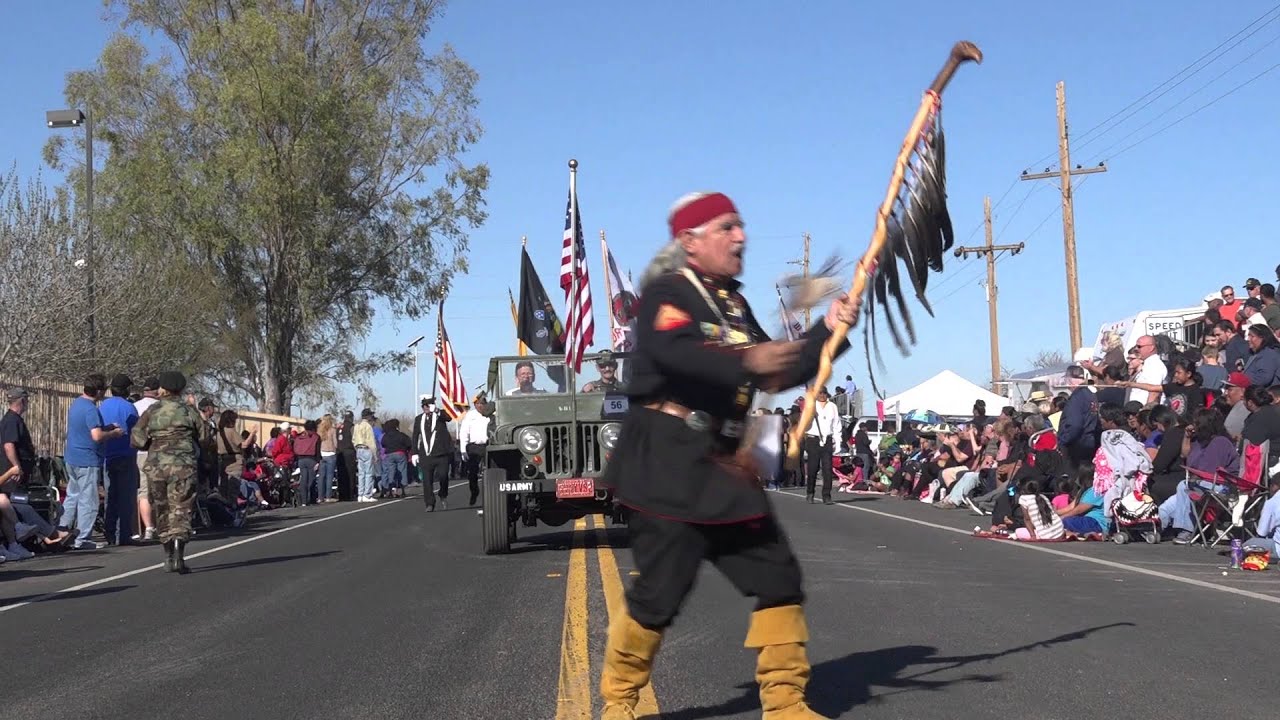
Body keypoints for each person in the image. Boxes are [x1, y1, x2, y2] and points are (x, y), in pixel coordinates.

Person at [598, 191, 859, 720]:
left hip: (727, 468)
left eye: (740, 226)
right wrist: (750, 357)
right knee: (659, 596)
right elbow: (679, 354)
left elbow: (777, 368)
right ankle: (620, 701)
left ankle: (786, 704)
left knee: (779, 578)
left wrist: (828, 330)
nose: (741, 237)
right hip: (668, 468)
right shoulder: (667, 293)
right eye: (726, 227)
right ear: (690, 241)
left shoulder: (734, 304)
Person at [131, 371, 209, 573]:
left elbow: (136, 438)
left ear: (162, 389)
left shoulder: (152, 410)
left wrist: (153, 443)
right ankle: (179, 555)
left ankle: (167, 554)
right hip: (183, 464)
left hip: (157, 464)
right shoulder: (188, 411)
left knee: (162, 507)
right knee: (182, 508)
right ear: (181, 389)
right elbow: (204, 437)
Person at [61, 374, 125, 550]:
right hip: (87, 459)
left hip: (72, 457)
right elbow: (96, 436)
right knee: (88, 500)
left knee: (72, 496)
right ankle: (83, 538)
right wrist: (114, 434)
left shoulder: (76, 404)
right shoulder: (90, 409)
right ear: (98, 391)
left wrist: (106, 427)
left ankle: (62, 531)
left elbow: (88, 429)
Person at [412, 396, 454, 511]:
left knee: (443, 476)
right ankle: (429, 503)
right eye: (424, 406)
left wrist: (436, 410)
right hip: (426, 454)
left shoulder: (440, 415)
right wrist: (414, 453)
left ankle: (443, 493)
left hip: (441, 453)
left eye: (428, 405)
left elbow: (449, 418)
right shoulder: (419, 419)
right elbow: (415, 436)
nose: (426, 408)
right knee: (427, 480)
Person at [803, 386, 840, 505]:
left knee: (827, 469)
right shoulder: (811, 406)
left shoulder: (832, 406)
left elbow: (836, 425)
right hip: (813, 440)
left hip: (827, 440)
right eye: (820, 393)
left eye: (824, 393)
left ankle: (827, 495)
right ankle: (810, 493)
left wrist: (838, 442)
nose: (822, 395)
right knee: (813, 468)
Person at [458, 393, 492, 506]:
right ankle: (474, 491)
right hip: (474, 447)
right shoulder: (470, 415)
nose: (479, 406)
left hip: (489, 445)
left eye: (482, 403)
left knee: (492, 471)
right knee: (472, 472)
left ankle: (492, 494)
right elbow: (464, 433)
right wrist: (463, 449)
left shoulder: (492, 414)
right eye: (477, 404)